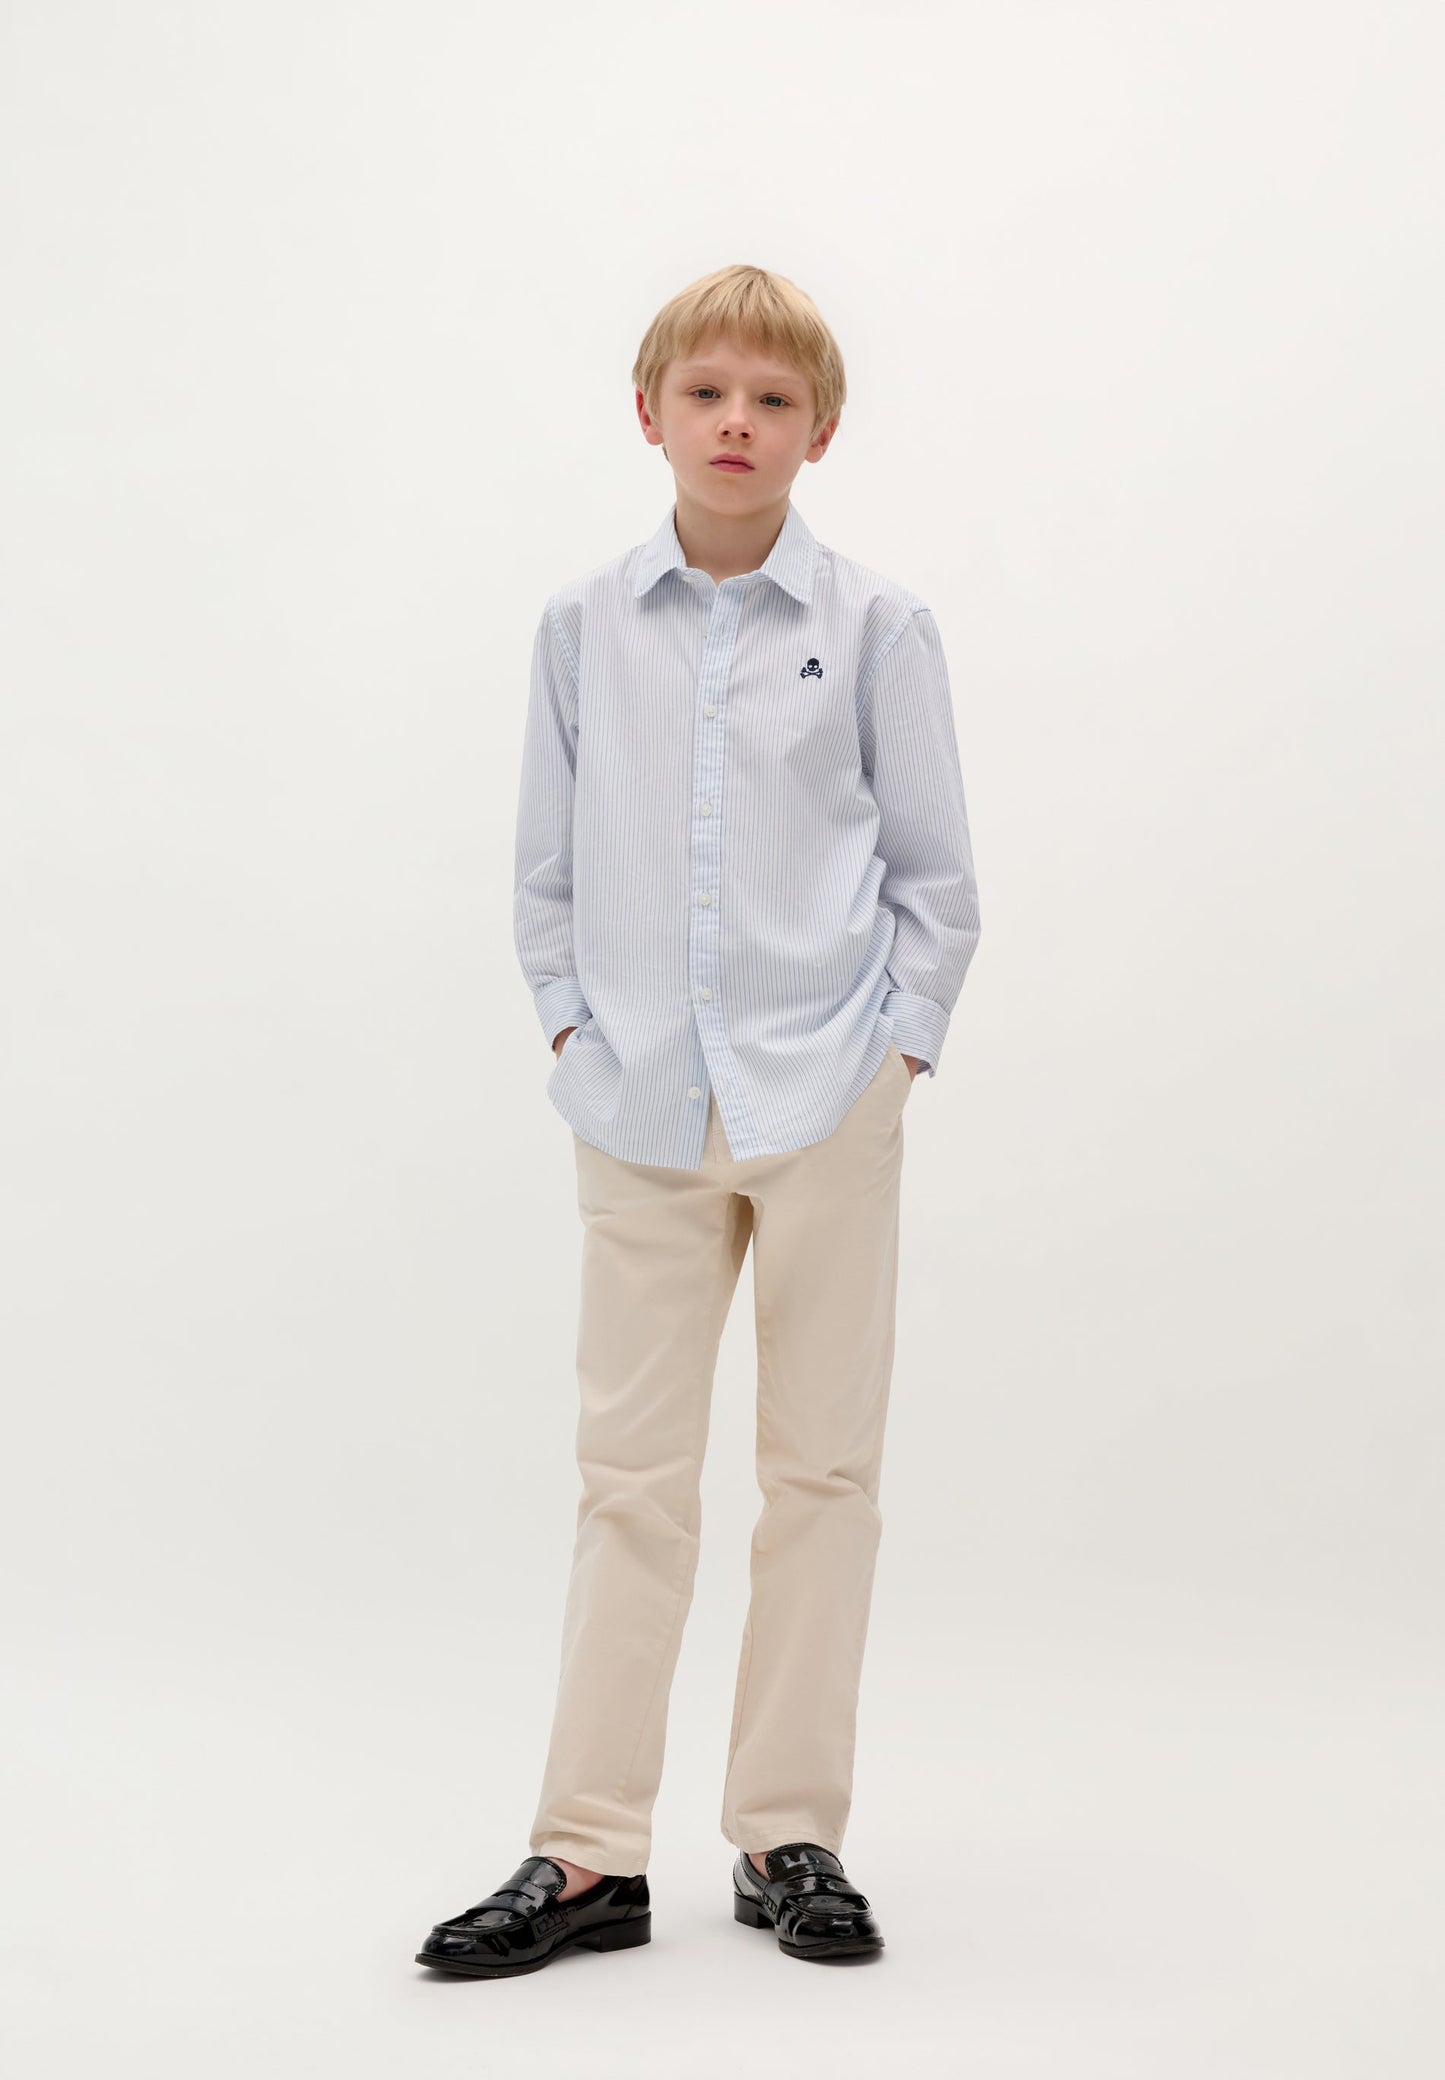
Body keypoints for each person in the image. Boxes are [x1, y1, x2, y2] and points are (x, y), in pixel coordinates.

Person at [416, 263, 982, 1978]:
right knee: (630, 1483)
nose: (737, 424)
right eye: (707, 393)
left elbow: (936, 880)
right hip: (639, 1102)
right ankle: (586, 1851)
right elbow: (543, 867)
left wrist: (892, 1056)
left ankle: (786, 1832)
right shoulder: (580, 627)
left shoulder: (877, 628)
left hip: (826, 1100)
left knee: (821, 1474)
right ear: (649, 412)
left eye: (772, 401)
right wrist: (572, 1026)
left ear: (821, 430)